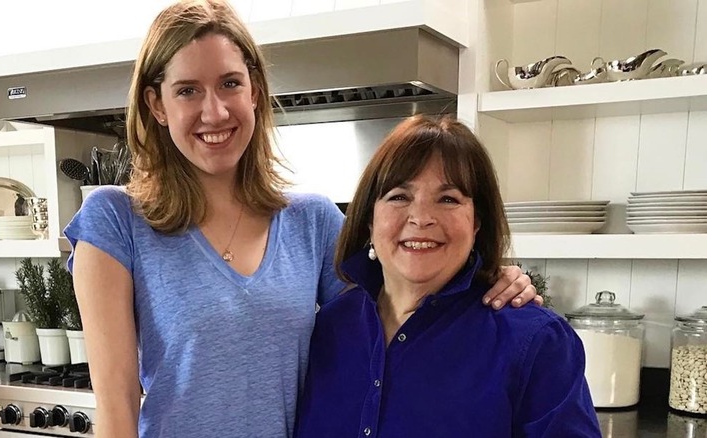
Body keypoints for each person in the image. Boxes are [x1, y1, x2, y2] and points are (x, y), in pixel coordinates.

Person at [63, 1, 540, 437]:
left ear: (254, 91)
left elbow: (402, 306)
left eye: (230, 83)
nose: (215, 110)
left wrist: (490, 280)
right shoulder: (115, 219)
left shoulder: (312, 221)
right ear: (156, 105)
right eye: (188, 90)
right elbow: (118, 404)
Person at [294, 115, 601, 438]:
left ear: (477, 222)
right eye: (399, 196)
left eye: (448, 199)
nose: (422, 218)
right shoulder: (328, 328)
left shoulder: (537, 342)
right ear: (370, 218)